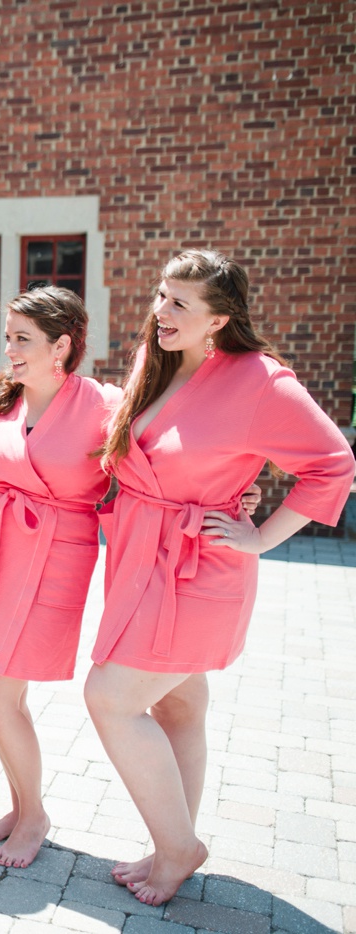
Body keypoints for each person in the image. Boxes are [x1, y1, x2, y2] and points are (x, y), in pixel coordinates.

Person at [84, 249, 355, 905]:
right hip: (139, 560)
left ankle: (180, 847)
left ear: (220, 318)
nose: (161, 311)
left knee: (109, 697)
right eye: (160, 294)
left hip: (197, 571)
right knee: (178, 703)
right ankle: (168, 841)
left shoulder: (262, 380)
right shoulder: (158, 360)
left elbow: (332, 463)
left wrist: (260, 536)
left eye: (180, 302)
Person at [0, 287, 114, 867]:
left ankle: (34, 816)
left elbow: (163, 461)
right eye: (7, 336)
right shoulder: (0, 401)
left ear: (62, 344)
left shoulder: (104, 405)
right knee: (3, 694)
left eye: (23, 340)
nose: (9, 349)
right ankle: (20, 805)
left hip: (55, 556)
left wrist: (238, 498)